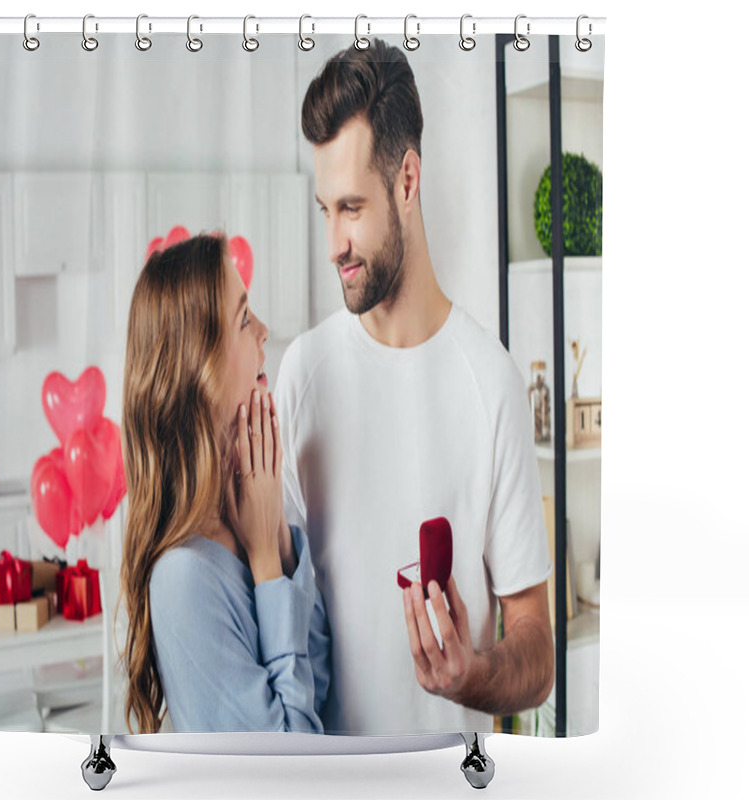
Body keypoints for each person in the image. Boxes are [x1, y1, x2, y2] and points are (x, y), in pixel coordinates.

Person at [274, 39, 554, 735]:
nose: (334, 241)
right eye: (324, 211)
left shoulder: (491, 382)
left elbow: (536, 645)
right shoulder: (303, 377)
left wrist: (476, 675)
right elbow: (271, 613)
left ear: (407, 180)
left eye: (351, 207)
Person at [120, 233, 329, 734]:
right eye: (243, 319)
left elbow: (323, 685)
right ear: (200, 370)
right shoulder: (183, 580)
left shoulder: (251, 512)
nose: (264, 331)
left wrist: (276, 536)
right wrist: (264, 567)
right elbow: (290, 773)